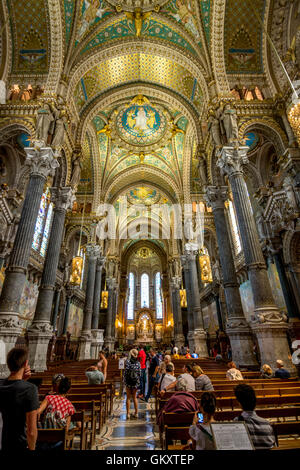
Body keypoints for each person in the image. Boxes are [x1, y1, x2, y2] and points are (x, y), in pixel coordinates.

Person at [0, 347, 39, 451]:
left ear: (8, 364)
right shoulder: (30, 389)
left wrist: (22, 380)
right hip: (19, 444)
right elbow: (31, 431)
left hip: (3, 443)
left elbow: (11, 385)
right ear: (26, 363)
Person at [234, 384, 275, 449]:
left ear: (239, 403)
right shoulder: (266, 423)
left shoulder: (237, 422)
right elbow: (272, 444)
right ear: (255, 401)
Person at [124, 349, 141, 419]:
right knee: (134, 397)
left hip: (128, 381)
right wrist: (137, 379)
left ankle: (128, 413)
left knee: (128, 397)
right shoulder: (138, 363)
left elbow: (126, 372)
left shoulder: (127, 362)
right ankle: (136, 413)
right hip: (135, 382)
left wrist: (124, 380)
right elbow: (139, 373)